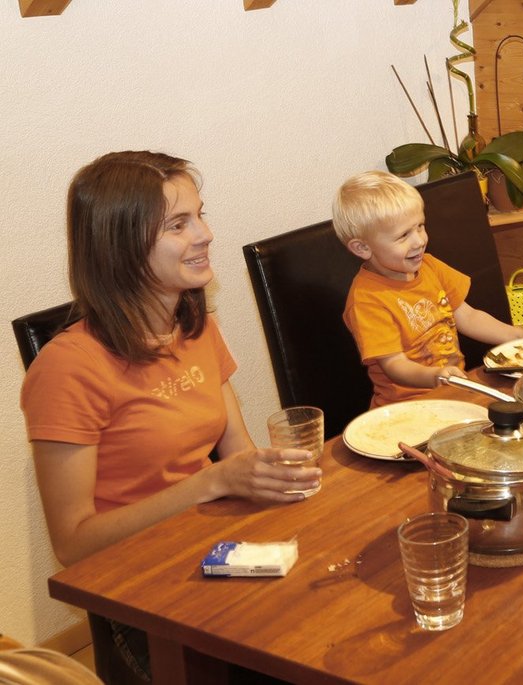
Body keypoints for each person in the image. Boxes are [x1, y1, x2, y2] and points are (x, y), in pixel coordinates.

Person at [20, 150, 319, 681]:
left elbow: (238, 456)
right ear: (121, 246)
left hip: (217, 550)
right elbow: (72, 545)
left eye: (201, 214)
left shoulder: (194, 324)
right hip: (140, 594)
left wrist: (269, 475)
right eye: (179, 224)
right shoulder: (67, 368)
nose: (204, 234)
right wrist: (212, 483)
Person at [335, 171, 523, 408]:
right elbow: (395, 366)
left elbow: (468, 316)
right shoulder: (367, 300)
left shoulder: (429, 266)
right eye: (403, 235)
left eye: (420, 226)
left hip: (454, 391)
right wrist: (435, 376)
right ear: (362, 248)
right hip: (407, 406)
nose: (419, 240)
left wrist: (518, 335)